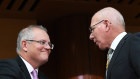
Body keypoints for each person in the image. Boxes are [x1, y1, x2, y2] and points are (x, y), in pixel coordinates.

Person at [89, 7, 140, 79]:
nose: (91, 36)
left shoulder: (134, 42)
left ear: (106, 25)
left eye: (92, 29)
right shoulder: (112, 54)